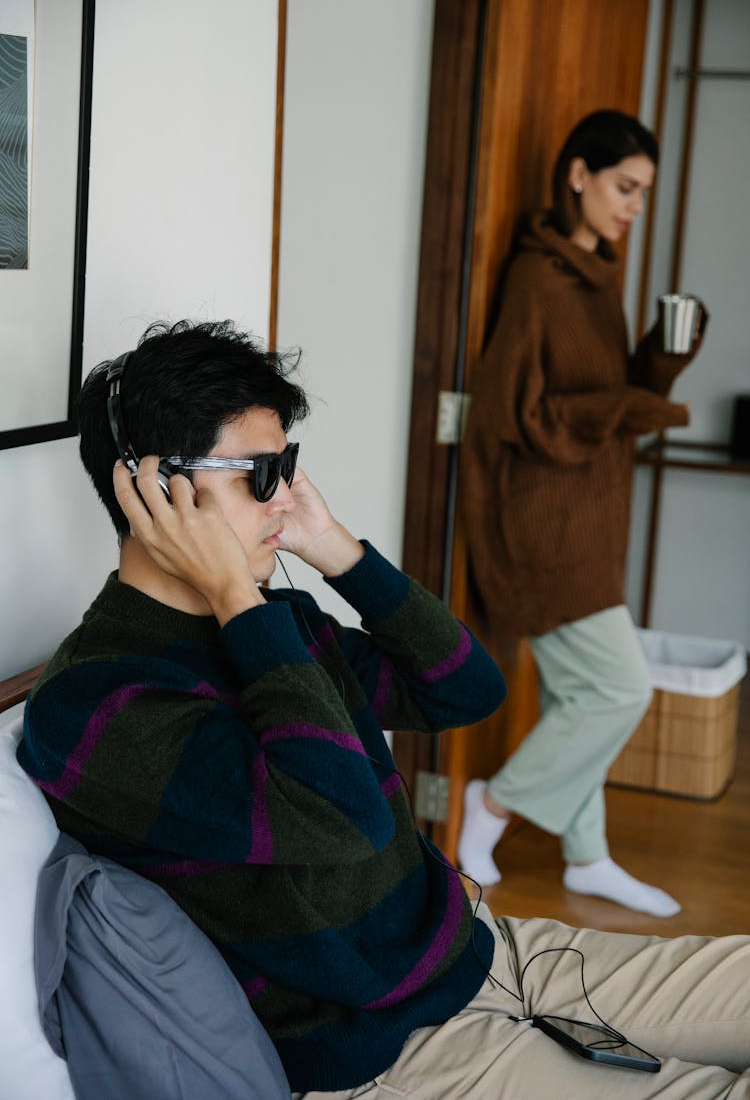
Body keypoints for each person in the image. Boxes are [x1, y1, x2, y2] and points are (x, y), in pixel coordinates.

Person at [19, 319, 749, 1097]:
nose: (284, 498)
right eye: (260, 474)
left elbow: (466, 689)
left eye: (287, 467)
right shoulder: (95, 704)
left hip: (488, 951)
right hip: (390, 1052)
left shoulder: (278, 624)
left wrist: (335, 548)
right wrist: (236, 593)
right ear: (158, 489)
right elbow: (343, 814)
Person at [457, 109, 708, 918]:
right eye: (624, 187)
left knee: (582, 697)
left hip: (589, 517)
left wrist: (658, 364)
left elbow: (601, 393)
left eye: (643, 193)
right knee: (619, 690)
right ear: (577, 175)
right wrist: (634, 404)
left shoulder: (599, 274)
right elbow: (515, 413)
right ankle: (490, 804)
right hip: (540, 526)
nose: (635, 206)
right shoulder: (538, 278)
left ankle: (588, 855)